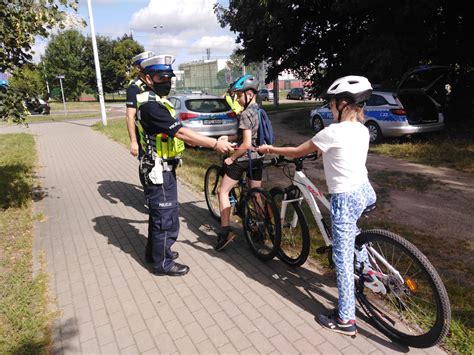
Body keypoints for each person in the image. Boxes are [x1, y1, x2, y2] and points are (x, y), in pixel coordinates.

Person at [258, 76, 383, 336]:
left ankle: (346, 320)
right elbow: (342, 150)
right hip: (365, 192)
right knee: (353, 234)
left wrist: (270, 148)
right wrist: (322, 150)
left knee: (341, 257)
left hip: (346, 198)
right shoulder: (361, 129)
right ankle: (368, 270)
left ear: (344, 103)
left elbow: (295, 151)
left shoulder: (332, 132)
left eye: (332, 103)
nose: (330, 107)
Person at [137, 54, 234, 276]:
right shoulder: (152, 107)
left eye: (169, 77)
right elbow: (181, 133)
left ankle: (155, 253)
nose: (167, 81)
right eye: (162, 77)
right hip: (158, 171)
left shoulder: (157, 102)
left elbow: (183, 131)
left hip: (162, 168)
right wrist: (214, 144)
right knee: (165, 217)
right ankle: (163, 263)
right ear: (149, 79)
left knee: (157, 215)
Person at [214, 74, 264, 251]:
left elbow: (245, 144)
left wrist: (231, 158)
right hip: (258, 158)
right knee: (256, 193)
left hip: (244, 158)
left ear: (249, 94)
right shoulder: (259, 110)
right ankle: (262, 227)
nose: (236, 98)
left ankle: (225, 232)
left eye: (239, 95)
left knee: (223, 191)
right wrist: (228, 137)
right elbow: (248, 136)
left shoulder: (245, 114)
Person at [125, 51, 155, 157]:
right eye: (146, 65)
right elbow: (130, 116)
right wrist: (133, 142)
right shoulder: (135, 87)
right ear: (138, 68)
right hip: (145, 138)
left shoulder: (155, 83)